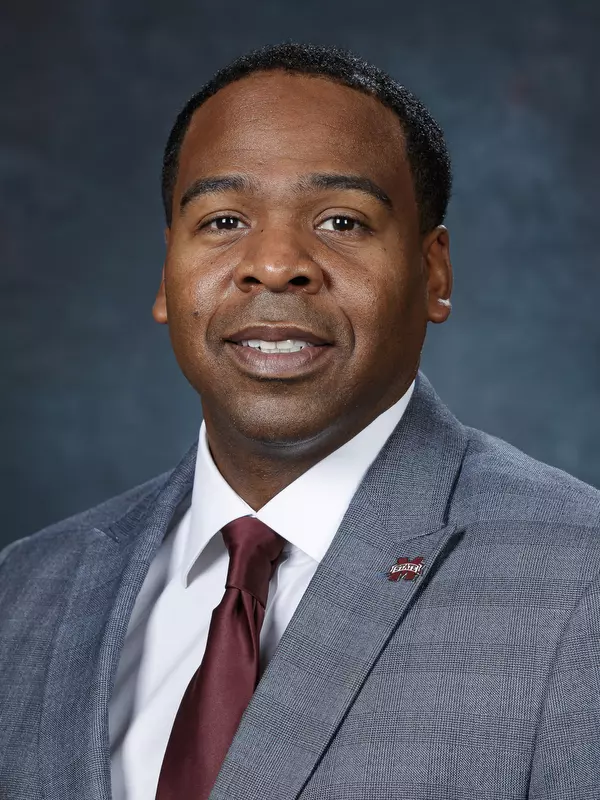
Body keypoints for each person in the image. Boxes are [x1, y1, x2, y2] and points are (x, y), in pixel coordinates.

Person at [1, 41, 599, 800]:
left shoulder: (582, 581)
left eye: (342, 221)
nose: (276, 264)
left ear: (435, 274)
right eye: (222, 220)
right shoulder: (27, 588)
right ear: (165, 275)